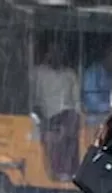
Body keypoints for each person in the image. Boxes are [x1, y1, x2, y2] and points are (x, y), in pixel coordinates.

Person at [31, 41, 81, 179]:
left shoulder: (70, 75)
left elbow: (77, 103)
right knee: (58, 133)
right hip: (45, 116)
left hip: (67, 115)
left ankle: (67, 171)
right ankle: (59, 171)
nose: (57, 56)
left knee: (71, 127)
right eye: (53, 52)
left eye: (60, 53)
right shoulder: (38, 73)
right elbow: (33, 100)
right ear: (47, 54)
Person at [82, 41, 112, 116]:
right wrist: (111, 107)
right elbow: (92, 101)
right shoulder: (92, 73)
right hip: (94, 117)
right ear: (107, 55)